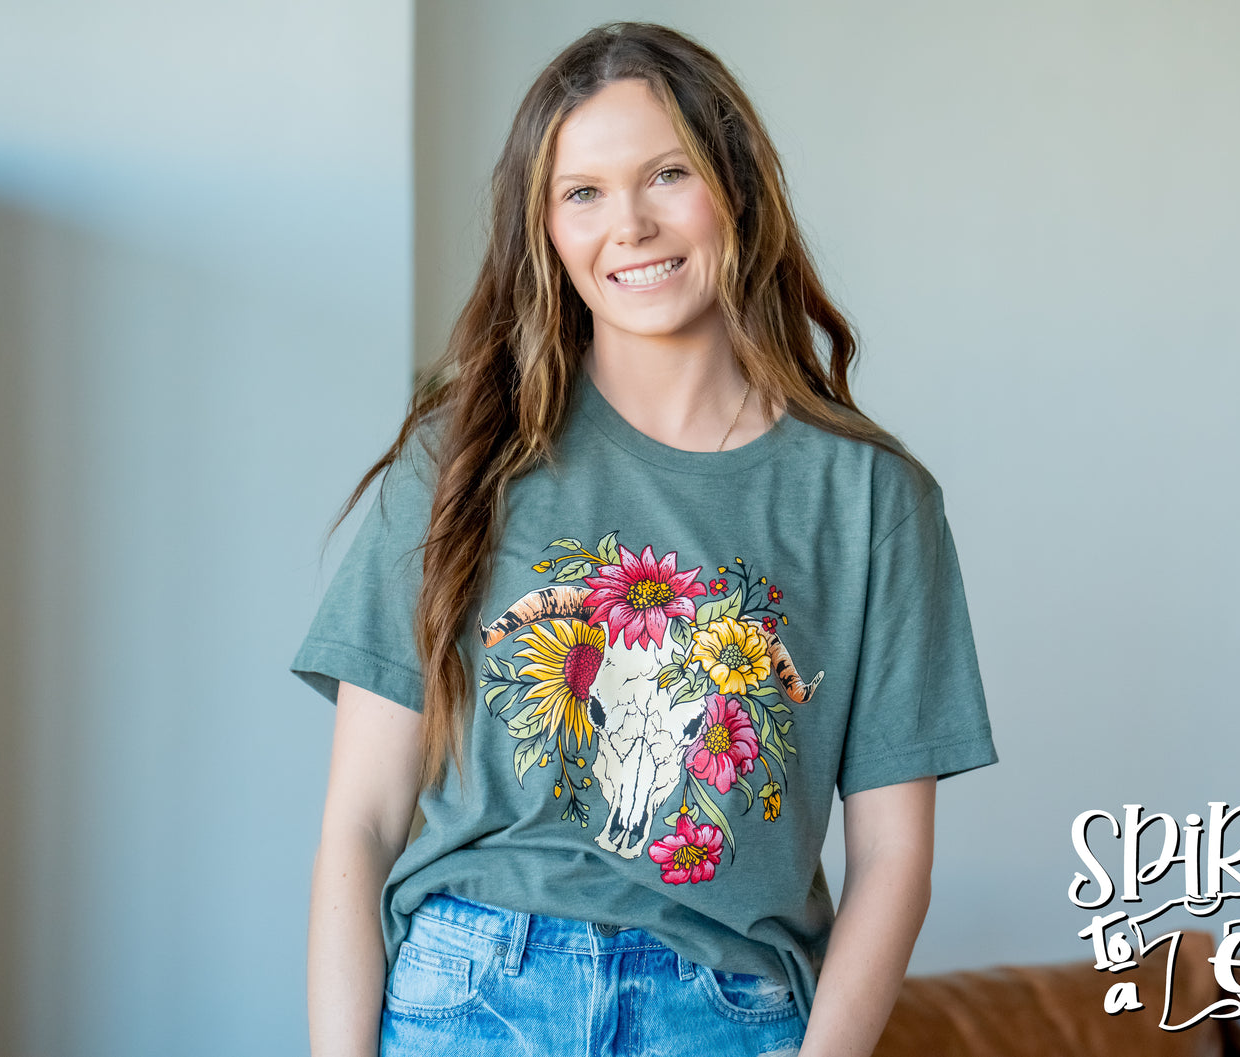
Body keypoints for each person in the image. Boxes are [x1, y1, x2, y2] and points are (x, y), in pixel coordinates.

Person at [294, 21, 996, 1057]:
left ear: (736, 191)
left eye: (666, 174)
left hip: (726, 1009)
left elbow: (893, 860)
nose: (627, 223)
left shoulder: (871, 500)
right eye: (582, 191)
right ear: (544, 229)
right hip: (472, 990)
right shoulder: (460, 462)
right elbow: (359, 818)